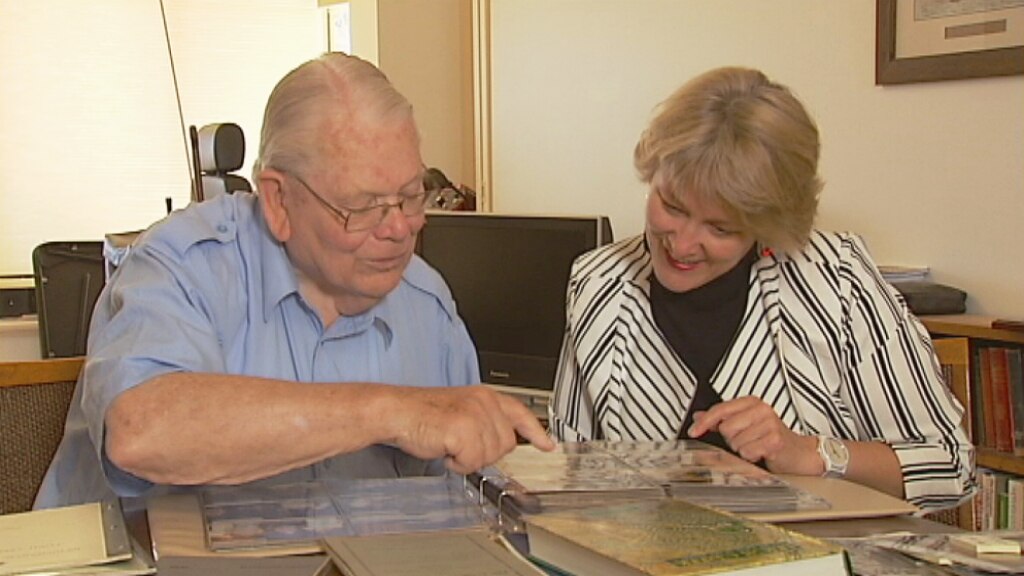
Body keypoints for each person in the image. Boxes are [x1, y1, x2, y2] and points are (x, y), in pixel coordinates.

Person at [35, 53, 552, 509]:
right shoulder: (180, 265)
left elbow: (461, 502)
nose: (399, 229)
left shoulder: (427, 302)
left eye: (412, 195)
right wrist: (390, 411)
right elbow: (141, 433)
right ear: (279, 200)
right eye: (363, 206)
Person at [549, 66, 973, 510]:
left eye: (721, 227)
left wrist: (809, 453)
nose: (683, 243)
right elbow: (567, 469)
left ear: (767, 224)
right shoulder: (598, 281)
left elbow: (950, 466)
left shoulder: (836, 279)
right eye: (671, 205)